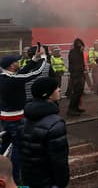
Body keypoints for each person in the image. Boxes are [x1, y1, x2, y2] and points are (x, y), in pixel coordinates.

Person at [0, 48, 49, 184]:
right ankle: (15, 178)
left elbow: (21, 73)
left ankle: (1, 171)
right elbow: (36, 73)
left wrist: (34, 59)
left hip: (4, 117)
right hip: (15, 118)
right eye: (16, 61)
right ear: (11, 65)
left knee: (5, 145)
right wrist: (44, 58)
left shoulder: (4, 76)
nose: (18, 62)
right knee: (18, 148)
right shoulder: (13, 79)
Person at [19, 77, 68, 188]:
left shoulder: (24, 119)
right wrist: (61, 183)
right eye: (56, 88)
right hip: (48, 180)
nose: (59, 90)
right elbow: (59, 160)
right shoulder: (55, 124)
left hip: (29, 177)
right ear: (48, 95)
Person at [67, 38, 86, 116]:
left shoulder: (77, 52)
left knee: (79, 92)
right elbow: (76, 65)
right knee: (76, 93)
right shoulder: (75, 53)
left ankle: (76, 107)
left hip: (79, 75)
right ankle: (71, 109)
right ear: (79, 45)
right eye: (82, 46)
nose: (83, 48)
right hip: (76, 76)